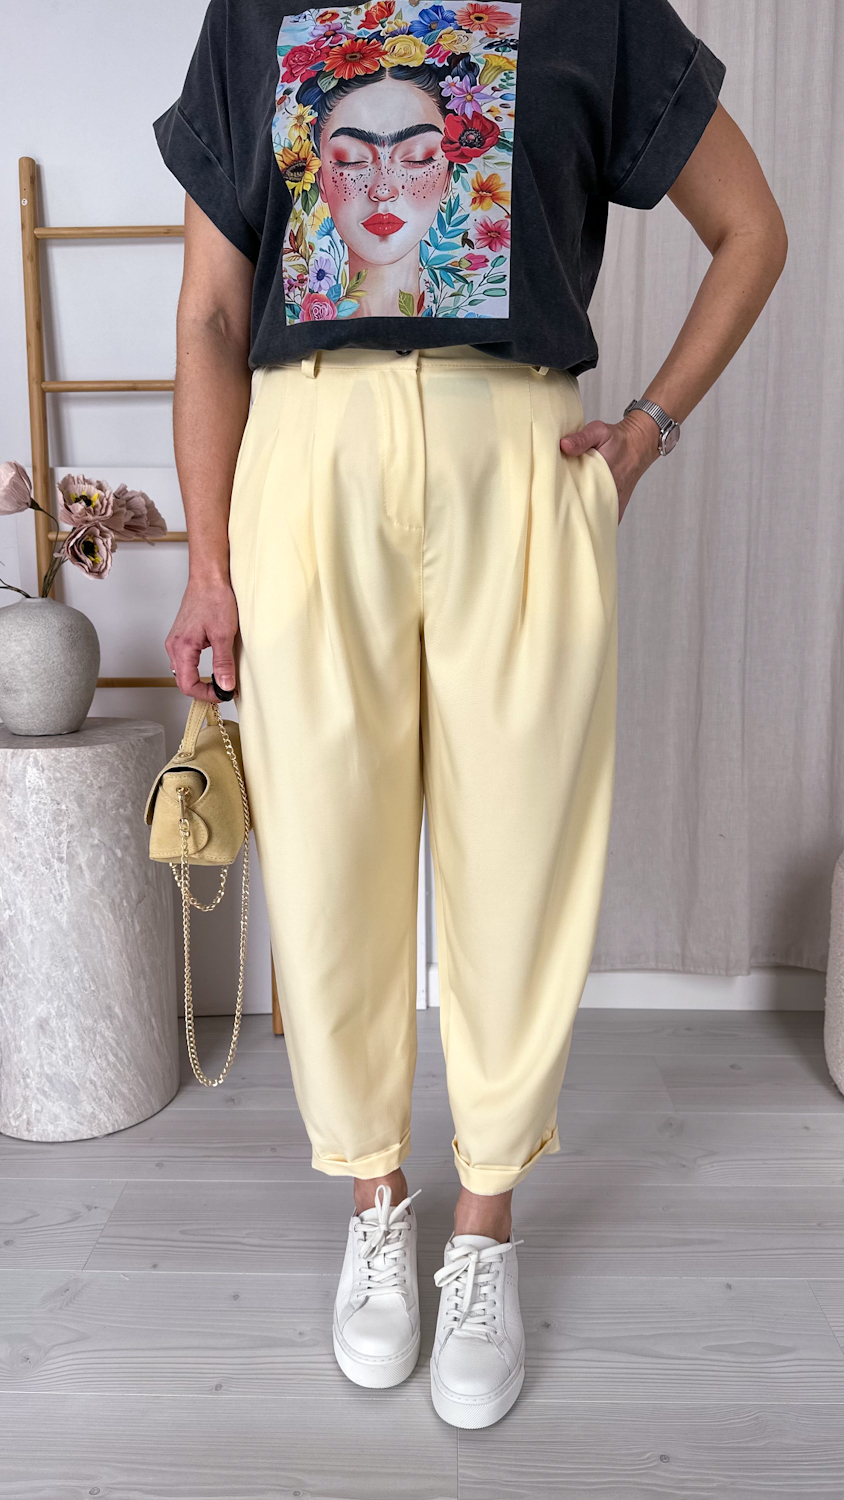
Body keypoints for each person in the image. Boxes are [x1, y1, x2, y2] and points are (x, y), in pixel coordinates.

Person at [155, 0, 786, 1429]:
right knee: (329, 853)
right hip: (306, 458)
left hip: (520, 460)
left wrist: (648, 431)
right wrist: (206, 563)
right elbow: (210, 310)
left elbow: (752, 229)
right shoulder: (259, 11)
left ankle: (486, 1223)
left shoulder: (592, 7)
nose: (385, 178)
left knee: (520, 853)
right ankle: (376, 1202)